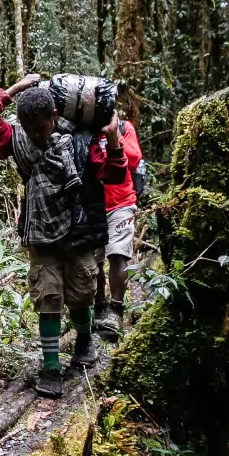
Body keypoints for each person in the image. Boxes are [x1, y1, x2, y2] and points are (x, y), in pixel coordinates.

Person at [0, 73, 128, 398]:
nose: (37, 136)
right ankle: (50, 368)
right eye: (30, 130)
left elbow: (115, 173)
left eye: (42, 129)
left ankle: (84, 343)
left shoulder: (82, 139)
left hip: (81, 228)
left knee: (81, 294)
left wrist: (113, 137)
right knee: (48, 296)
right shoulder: (17, 138)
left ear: (54, 117)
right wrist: (16, 89)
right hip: (40, 231)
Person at [93, 114, 143, 342]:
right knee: (94, 259)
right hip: (92, 203)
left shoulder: (125, 127)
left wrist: (114, 134)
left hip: (122, 202)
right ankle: (99, 305)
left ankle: (116, 308)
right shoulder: (86, 131)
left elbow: (133, 159)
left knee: (117, 255)